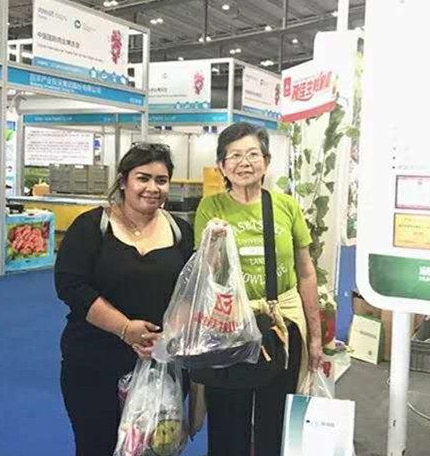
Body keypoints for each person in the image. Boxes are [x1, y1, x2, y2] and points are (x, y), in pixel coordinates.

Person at [55, 142, 194, 456]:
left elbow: (189, 292)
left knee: (153, 447)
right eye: (142, 178)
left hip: (160, 363)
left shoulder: (181, 232)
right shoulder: (91, 227)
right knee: (96, 445)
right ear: (123, 181)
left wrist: (166, 338)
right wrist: (125, 329)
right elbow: (71, 286)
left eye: (161, 180)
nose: (152, 188)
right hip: (93, 362)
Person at [194, 122, 324, 456]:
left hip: (282, 325)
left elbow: (306, 272)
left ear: (266, 162)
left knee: (275, 421)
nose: (244, 162)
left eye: (253, 154)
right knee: (227, 421)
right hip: (229, 326)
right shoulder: (211, 208)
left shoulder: (286, 206)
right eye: (234, 156)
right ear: (222, 166)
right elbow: (205, 275)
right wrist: (213, 243)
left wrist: (315, 336)